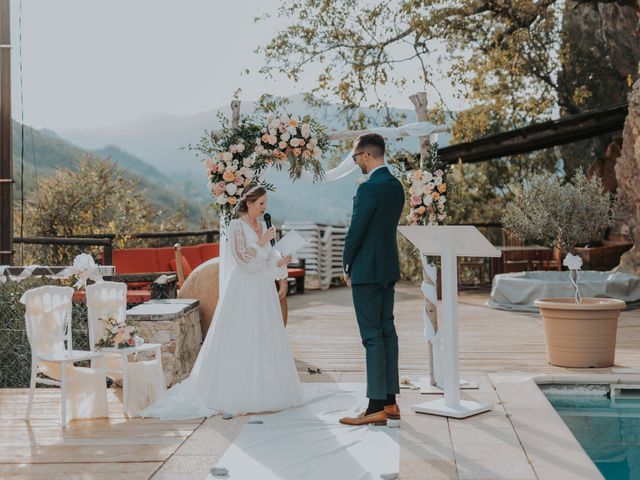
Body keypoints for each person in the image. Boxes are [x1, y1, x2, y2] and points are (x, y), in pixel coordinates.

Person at [141, 185, 304, 420]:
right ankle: (237, 391)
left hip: (261, 287)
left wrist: (280, 261)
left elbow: (266, 261)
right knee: (241, 334)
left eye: (266, 204)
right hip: (243, 287)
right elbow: (241, 260)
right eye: (261, 204)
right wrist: (261, 242)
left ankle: (266, 389)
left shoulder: (265, 226)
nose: (264, 208)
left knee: (263, 335)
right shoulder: (236, 226)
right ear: (249, 203)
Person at [339, 133, 405, 427]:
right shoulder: (396, 186)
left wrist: (347, 263)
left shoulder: (368, 188)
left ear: (366, 155)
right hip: (388, 268)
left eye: (355, 158)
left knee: (371, 336)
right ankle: (391, 403)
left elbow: (357, 231)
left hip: (366, 270)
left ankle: (375, 405)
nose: (355, 164)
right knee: (387, 331)